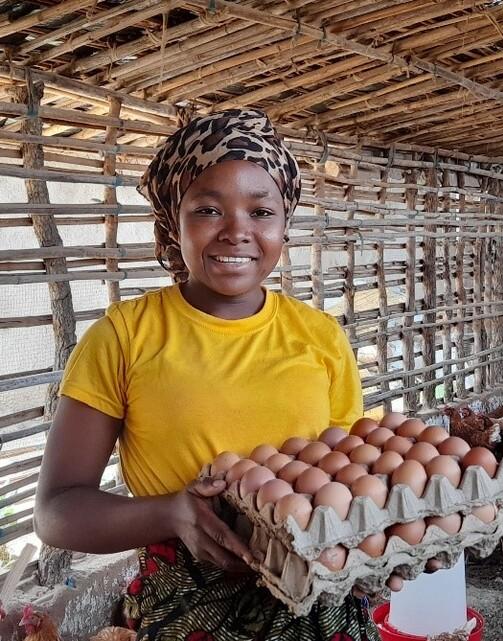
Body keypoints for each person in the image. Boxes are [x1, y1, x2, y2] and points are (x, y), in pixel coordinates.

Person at [34, 110, 383, 641]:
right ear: (173, 222)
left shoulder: (319, 337)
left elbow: (347, 479)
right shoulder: (125, 337)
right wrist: (172, 515)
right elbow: (57, 511)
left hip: (320, 603)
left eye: (261, 211)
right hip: (187, 606)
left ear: (284, 225)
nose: (237, 231)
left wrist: (384, 541)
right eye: (208, 210)